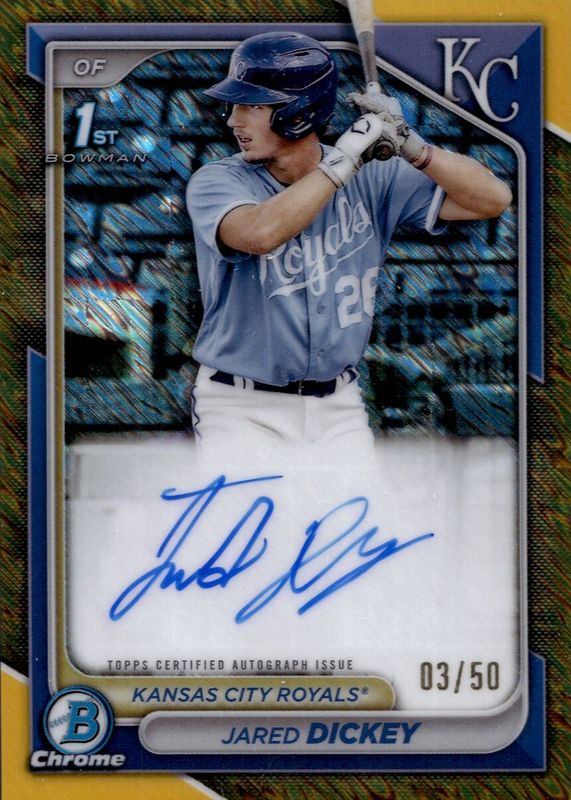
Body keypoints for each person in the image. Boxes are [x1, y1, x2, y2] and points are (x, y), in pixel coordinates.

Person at [186, 31, 511, 457]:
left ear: (298, 111)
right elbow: (260, 234)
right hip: (240, 407)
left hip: (338, 406)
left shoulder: (375, 177)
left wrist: (412, 146)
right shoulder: (216, 180)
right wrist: (346, 159)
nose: (233, 120)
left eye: (252, 106)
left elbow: (493, 199)